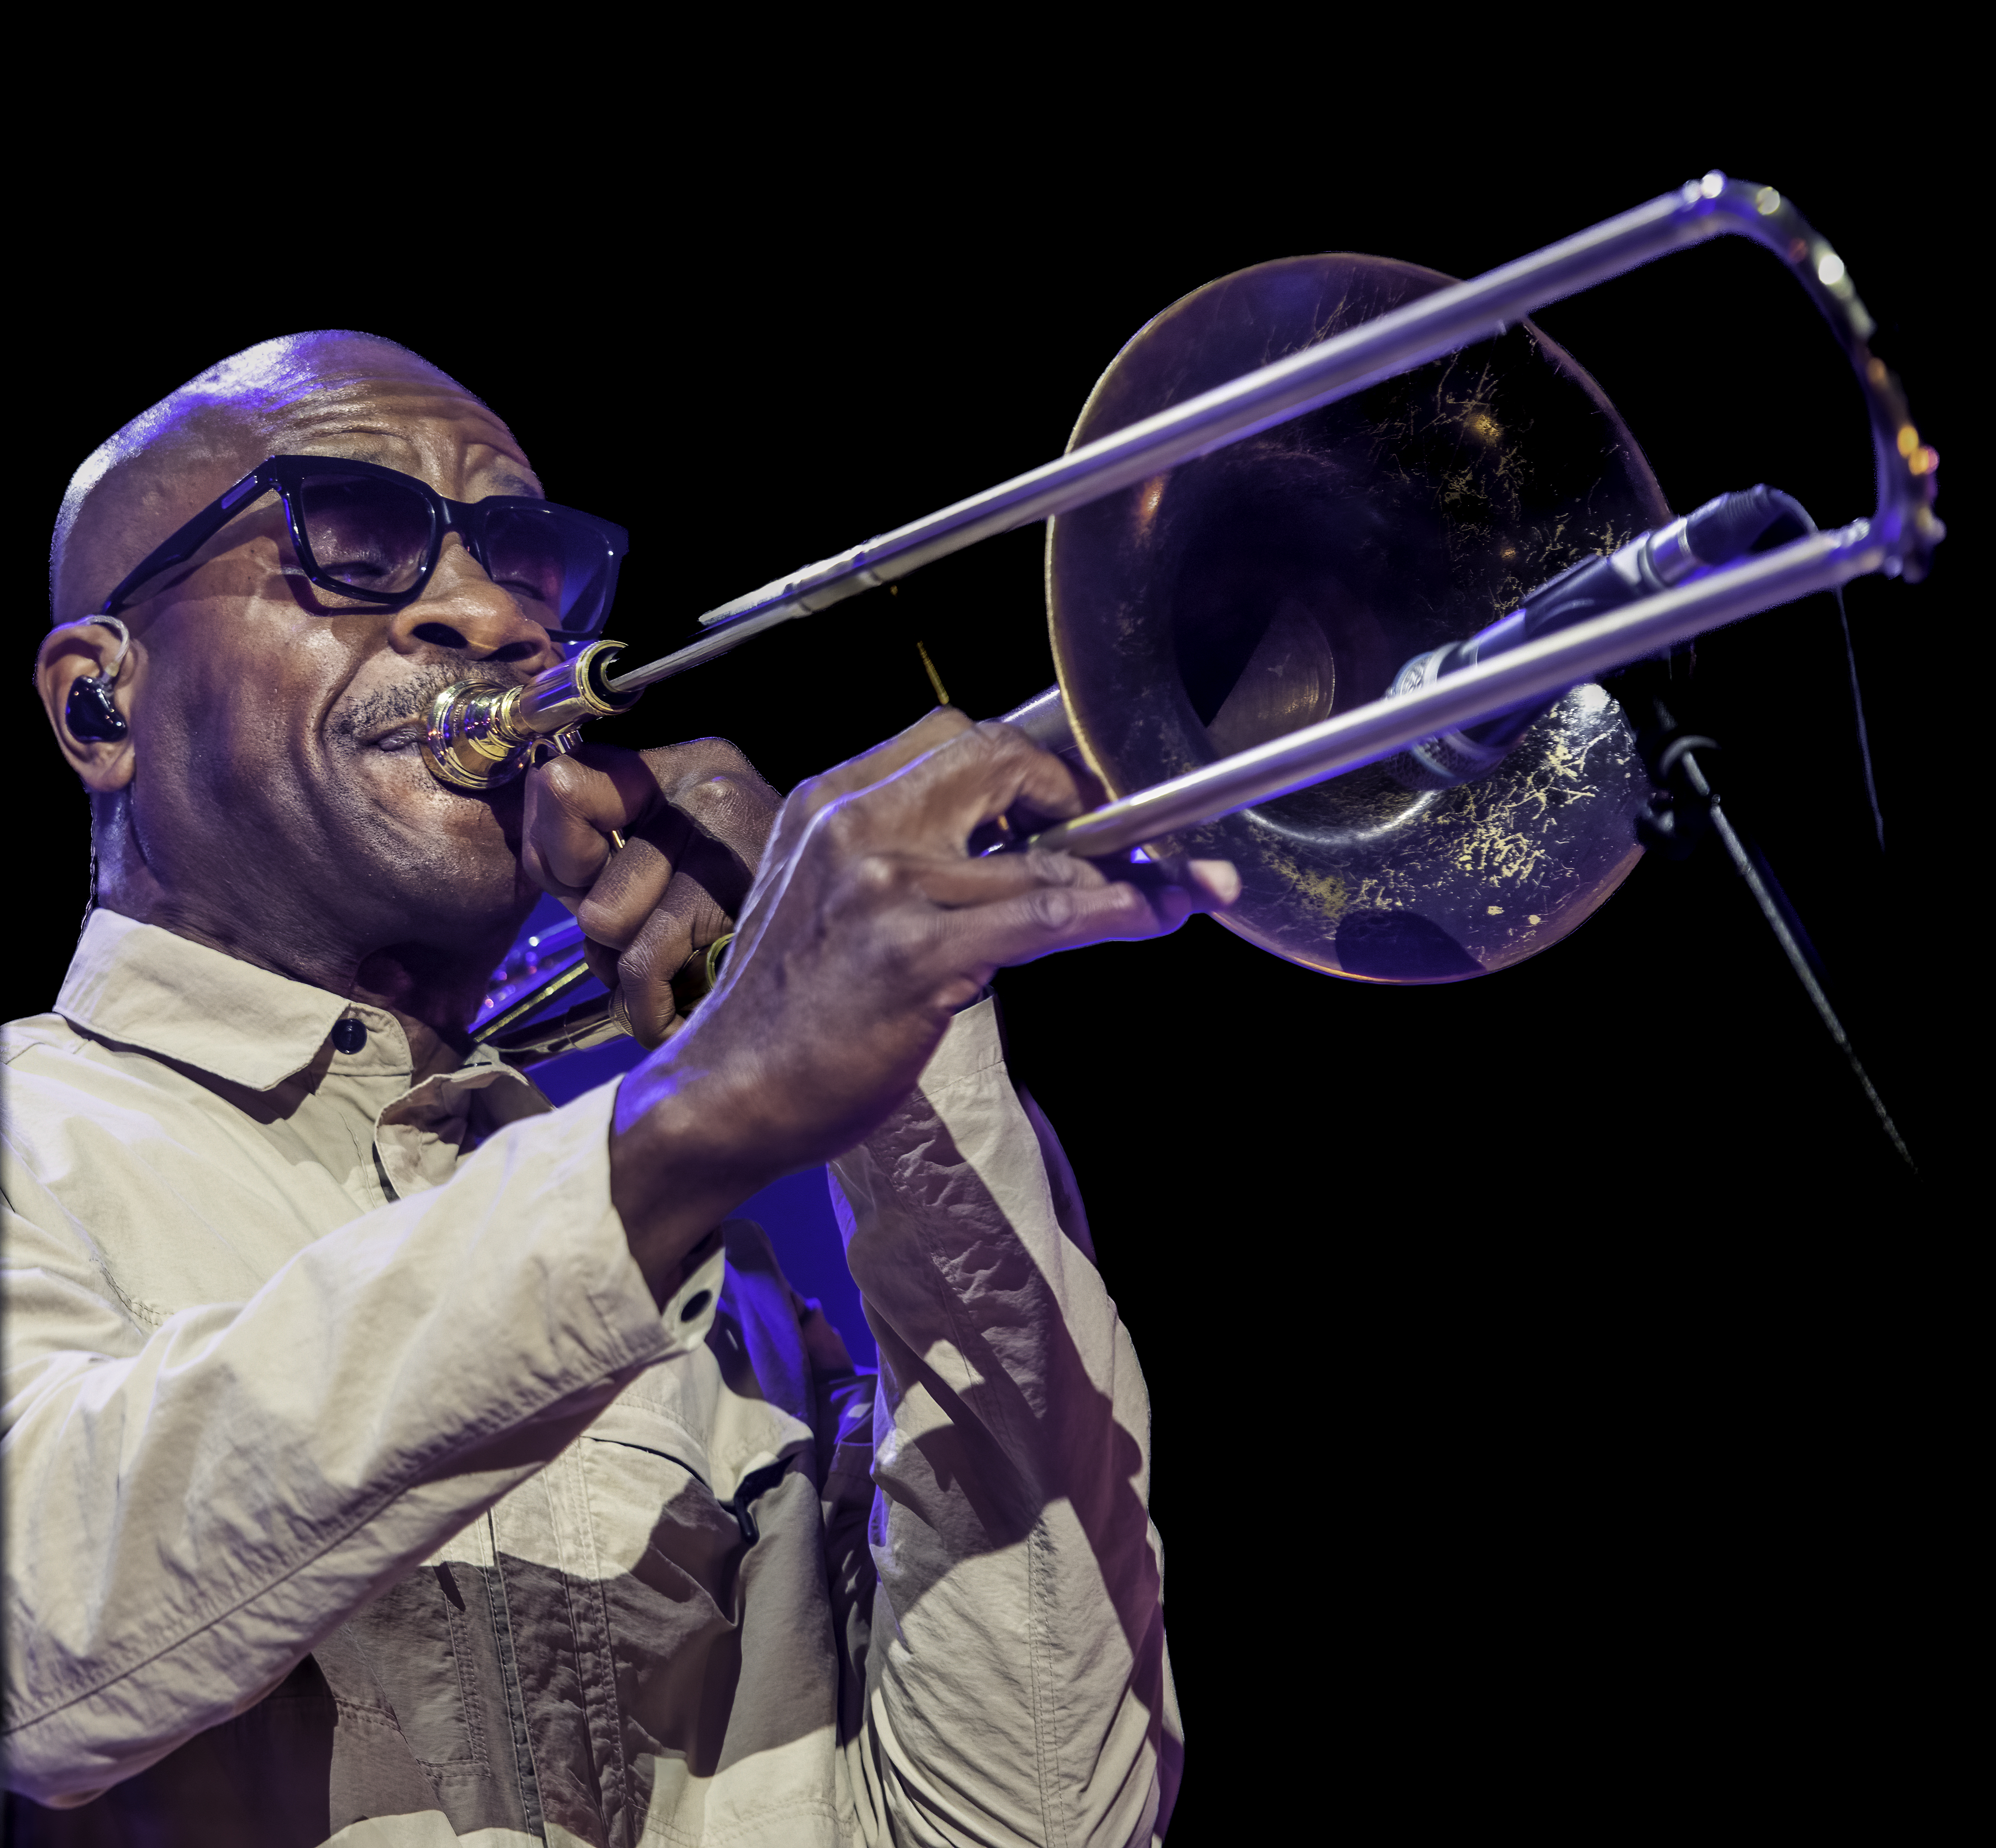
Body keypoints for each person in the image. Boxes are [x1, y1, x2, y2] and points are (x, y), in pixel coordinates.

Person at [2, 332, 1237, 1845]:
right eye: (354, 541)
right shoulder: (32, 1141)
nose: (495, 618)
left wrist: (903, 1066)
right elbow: (41, 1641)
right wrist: (700, 1118)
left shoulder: (738, 1236)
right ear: (100, 707)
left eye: (525, 562)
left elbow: (1042, 1822)